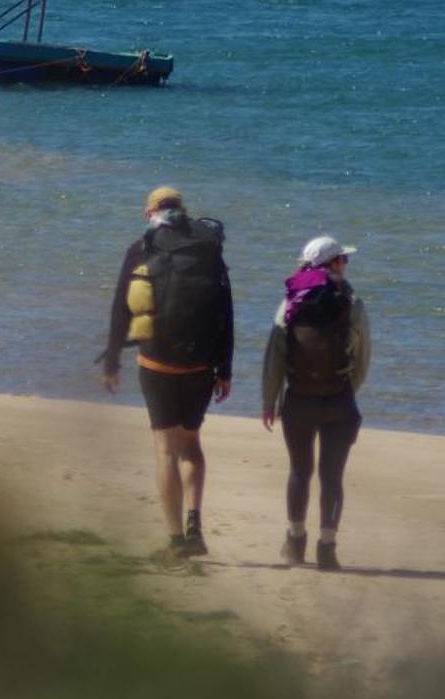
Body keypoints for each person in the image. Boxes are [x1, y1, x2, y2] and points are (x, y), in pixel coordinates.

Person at [100, 186, 234, 560]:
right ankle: (195, 527)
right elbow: (226, 311)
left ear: (150, 212)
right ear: (184, 210)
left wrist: (112, 362)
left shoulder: (141, 248)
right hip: (200, 364)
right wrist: (225, 368)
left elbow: (119, 310)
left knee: (165, 449)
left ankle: (175, 540)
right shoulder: (208, 249)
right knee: (191, 444)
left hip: (156, 362)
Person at [261, 234, 370, 570]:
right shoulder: (352, 302)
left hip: (298, 400)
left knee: (299, 470)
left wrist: (270, 400)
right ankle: (327, 547)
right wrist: (347, 389)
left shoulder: (290, 301)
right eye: (343, 259)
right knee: (332, 475)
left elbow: (275, 356)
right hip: (339, 400)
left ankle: (295, 540)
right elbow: (363, 355)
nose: (346, 264)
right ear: (333, 264)